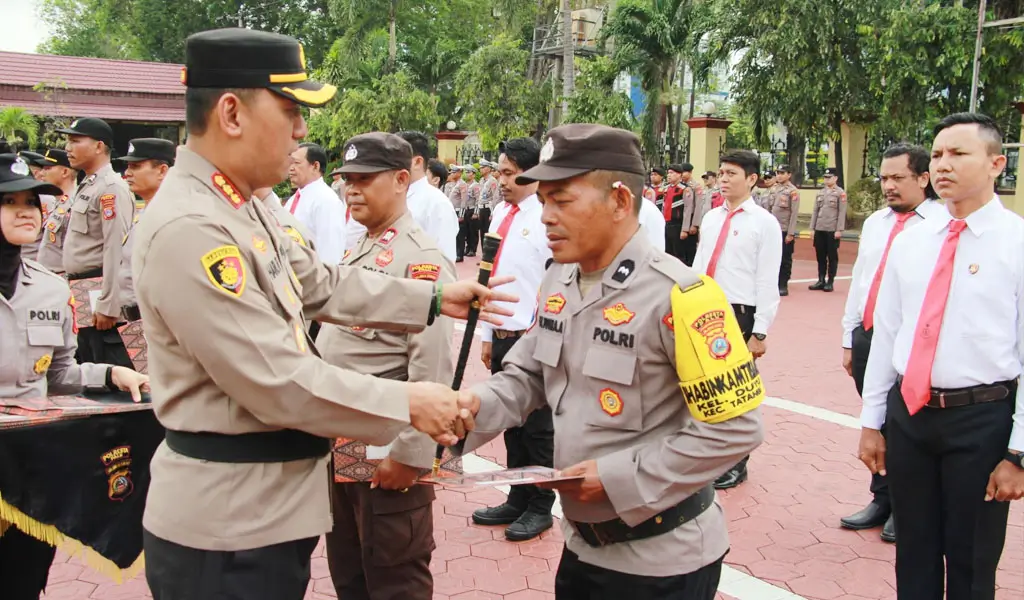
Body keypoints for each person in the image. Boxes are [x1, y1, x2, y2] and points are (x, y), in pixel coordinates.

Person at [132, 28, 514, 600]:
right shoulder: (194, 226)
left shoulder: (239, 207)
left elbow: (317, 282)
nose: (302, 132)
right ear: (232, 113)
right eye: (290, 110)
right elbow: (278, 380)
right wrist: (409, 404)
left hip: (262, 509)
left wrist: (432, 298)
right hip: (228, 526)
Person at [458, 124, 764, 600]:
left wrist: (621, 479)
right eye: (543, 202)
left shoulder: (683, 296)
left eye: (562, 201)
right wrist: (461, 415)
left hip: (661, 563)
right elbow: (527, 375)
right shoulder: (560, 278)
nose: (546, 218)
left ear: (620, 201)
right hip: (581, 547)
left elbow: (735, 429)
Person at [860, 113, 1024, 600]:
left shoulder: (1016, 242)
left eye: (958, 154)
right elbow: (888, 334)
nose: (943, 165)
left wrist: (1018, 452)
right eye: (936, 155)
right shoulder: (914, 240)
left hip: (981, 419)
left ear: (997, 163)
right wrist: (873, 421)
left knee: (972, 557)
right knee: (913, 549)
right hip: (910, 416)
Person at [0, 153, 149, 600]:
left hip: (29, 470)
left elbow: (60, 373)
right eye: (10, 202)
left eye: (32, 200)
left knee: (22, 579)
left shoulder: (50, 287)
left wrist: (112, 373)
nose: (27, 210)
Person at [317, 132, 455, 600]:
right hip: (340, 445)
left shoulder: (422, 263)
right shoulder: (360, 249)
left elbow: (431, 370)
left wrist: (412, 455)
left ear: (401, 179)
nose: (351, 189)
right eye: (346, 180)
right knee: (350, 574)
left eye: (363, 179)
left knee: (396, 580)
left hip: (386, 453)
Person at [840, 143, 941, 545]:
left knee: (906, 428)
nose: (888, 186)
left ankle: (906, 505)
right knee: (877, 421)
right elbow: (861, 280)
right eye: (884, 178)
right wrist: (850, 337)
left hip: (910, 344)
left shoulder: (939, 225)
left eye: (898, 178)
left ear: (923, 178)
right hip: (869, 336)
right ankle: (881, 498)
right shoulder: (877, 223)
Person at [472, 137, 556, 541]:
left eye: (508, 173)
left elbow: (555, 282)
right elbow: (489, 278)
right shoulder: (500, 214)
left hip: (534, 335)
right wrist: (487, 333)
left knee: (538, 428)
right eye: (500, 172)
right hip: (504, 331)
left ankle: (541, 505)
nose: (501, 180)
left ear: (530, 173)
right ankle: (517, 497)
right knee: (511, 423)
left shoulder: (546, 217)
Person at [693, 150, 782, 490]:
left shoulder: (764, 223)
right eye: (721, 173)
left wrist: (759, 329)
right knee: (703, 384)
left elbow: (766, 278)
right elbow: (700, 264)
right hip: (705, 308)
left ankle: (737, 462)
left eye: (731, 173)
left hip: (739, 312)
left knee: (736, 391)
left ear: (752, 179)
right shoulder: (713, 217)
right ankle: (710, 454)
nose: (724, 179)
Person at [58, 117, 135, 367]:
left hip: (98, 288)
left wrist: (110, 302)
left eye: (75, 141)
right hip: (81, 287)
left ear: (99, 146)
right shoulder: (89, 184)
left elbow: (116, 249)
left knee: (109, 364)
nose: (67, 147)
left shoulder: (111, 188)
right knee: (87, 360)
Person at [116, 138, 176, 323]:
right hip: (134, 321)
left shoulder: (172, 215)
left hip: (157, 323)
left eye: (136, 166)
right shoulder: (146, 211)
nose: (127, 173)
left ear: (162, 171)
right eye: (128, 166)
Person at [395, 131, 459, 261]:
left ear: (417, 162)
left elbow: (444, 260)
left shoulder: (437, 203)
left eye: (395, 158)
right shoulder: (393, 195)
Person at [283, 142, 348, 263]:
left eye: (296, 163)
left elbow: (331, 254)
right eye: (290, 162)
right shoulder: (293, 200)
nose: (291, 168)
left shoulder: (326, 201)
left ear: (315, 166)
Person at [22, 149, 72, 264]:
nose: (42, 173)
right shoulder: (58, 202)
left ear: (64, 172)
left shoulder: (71, 204)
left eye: (48, 168)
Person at [808, 167, 846, 292]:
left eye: (829, 177)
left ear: (835, 178)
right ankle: (821, 280)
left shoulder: (840, 193)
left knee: (832, 256)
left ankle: (830, 281)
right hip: (820, 227)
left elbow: (841, 212)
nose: (826, 179)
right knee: (820, 256)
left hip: (832, 229)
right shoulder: (820, 193)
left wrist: (839, 229)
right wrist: (812, 228)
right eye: (825, 177)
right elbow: (815, 211)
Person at [770, 165, 799, 296]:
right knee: (771, 257)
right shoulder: (774, 189)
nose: (779, 175)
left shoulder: (792, 191)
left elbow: (794, 213)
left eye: (782, 173)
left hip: (784, 229)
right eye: (778, 173)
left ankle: (783, 284)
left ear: (789, 174)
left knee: (784, 259)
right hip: (771, 229)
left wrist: (791, 232)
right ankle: (773, 283)